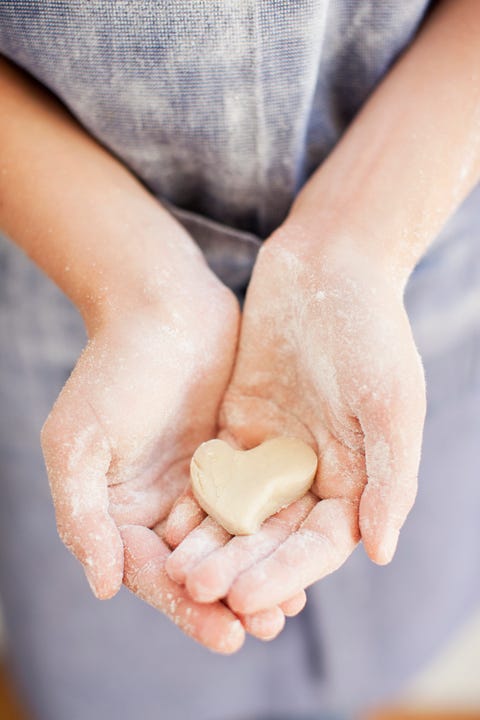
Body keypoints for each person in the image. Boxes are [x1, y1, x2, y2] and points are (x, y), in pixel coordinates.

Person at [0, 1, 479, 718]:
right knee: (135, 684)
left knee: (392, 619)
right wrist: (138, 292)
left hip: (411, 261)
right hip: (73, 298)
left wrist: (355, 244)